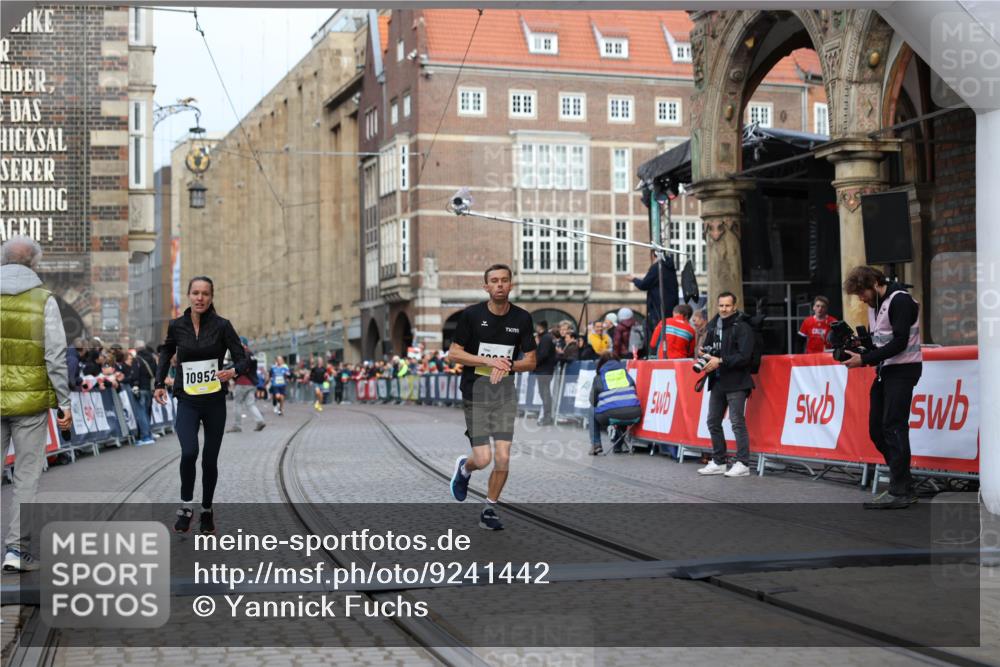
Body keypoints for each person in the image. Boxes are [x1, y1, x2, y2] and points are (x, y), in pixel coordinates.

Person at [154, 276, 249, 534]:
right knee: (188, 452)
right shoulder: (177, 326)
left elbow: (243, 359)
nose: (200, 298)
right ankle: (186, 506)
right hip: (187, 399)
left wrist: (232, 371)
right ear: (188, 296)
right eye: (195, 293)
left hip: (214, 401)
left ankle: (206, 510)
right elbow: (165, 352)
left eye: (205, 294)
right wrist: (159, 383)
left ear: (211, 297)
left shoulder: (222, 326)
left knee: (209, 460)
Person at [0, 236, 73, 572]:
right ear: (34, 264)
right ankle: (16, 551)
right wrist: (64, 402)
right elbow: (55, 355)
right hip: (29, 402)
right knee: (26, 477)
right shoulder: (44, 300)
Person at [447, 264, 537, 531]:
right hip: (475, 390)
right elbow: (454, 353)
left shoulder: (522, 319)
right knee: (483, 459)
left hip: (504, 393)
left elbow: (531, 361)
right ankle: (465, 468)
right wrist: (488, 360)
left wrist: (506, 365)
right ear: (486, 287)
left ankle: (489, 509)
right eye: (494, 281)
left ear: (511, 285)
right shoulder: (471, 316)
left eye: (504, 280)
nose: (500, 285)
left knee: (503, 456)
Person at [842, 266, 922, 509]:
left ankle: (900, 489)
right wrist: (862, 351)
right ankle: (904, 482)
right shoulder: (875, 305)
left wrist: (864, 360)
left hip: (904, 369)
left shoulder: (900, 301)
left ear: (876, 283)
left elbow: (900, 341)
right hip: (886, 370)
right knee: (877, 429)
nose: (861, 298)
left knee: (894, 426)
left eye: (862, 292)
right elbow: (882, 342)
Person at [696, 292, 755, 478]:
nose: (724, 309)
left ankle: (743, 463)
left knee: (737, 422)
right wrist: (704, 354)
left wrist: (720, 361)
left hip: (737, 381)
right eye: (721, 305)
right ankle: (719, 461)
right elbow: (709, 349)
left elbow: (745, 357)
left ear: (734, 306)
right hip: (718, 380)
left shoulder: (743, 327)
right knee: (713, 421)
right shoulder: (714, 326)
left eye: (727, 306)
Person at [588, 353, 642, 456]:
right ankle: (618, 446)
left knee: (592, 409)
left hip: (611, 415)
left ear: (601, 364)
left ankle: (596, 444)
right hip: (635, 414)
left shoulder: (599, 377)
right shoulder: (626, 375)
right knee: (623, 406)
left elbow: (592, 401)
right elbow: (634, 392)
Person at [632, 250, 679, 353]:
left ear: (654, 255)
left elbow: (644, 284)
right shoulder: (671, 269)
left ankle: (655, 354)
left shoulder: (657, 267)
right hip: (669, 310)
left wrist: (634, 279)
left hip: (657, 310)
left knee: (654, 334)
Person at [229, 337, 266, 433]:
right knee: (250, 404)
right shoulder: (251, 354)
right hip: (252, 383)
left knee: (237, 404)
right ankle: (260, 421)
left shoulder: (242, 353)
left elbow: (241, 368)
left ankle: (237, 426)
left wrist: (233, 373)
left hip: (242, 382)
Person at [532, 321, 556, 426]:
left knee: (545, 393)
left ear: (540, 327)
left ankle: (547, 417)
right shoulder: (546, 337)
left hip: (544, 370)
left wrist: (534, 362)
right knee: (543, 393)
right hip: (544, 369)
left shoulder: (546, 338)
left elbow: (544, 354)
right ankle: (547, 416)